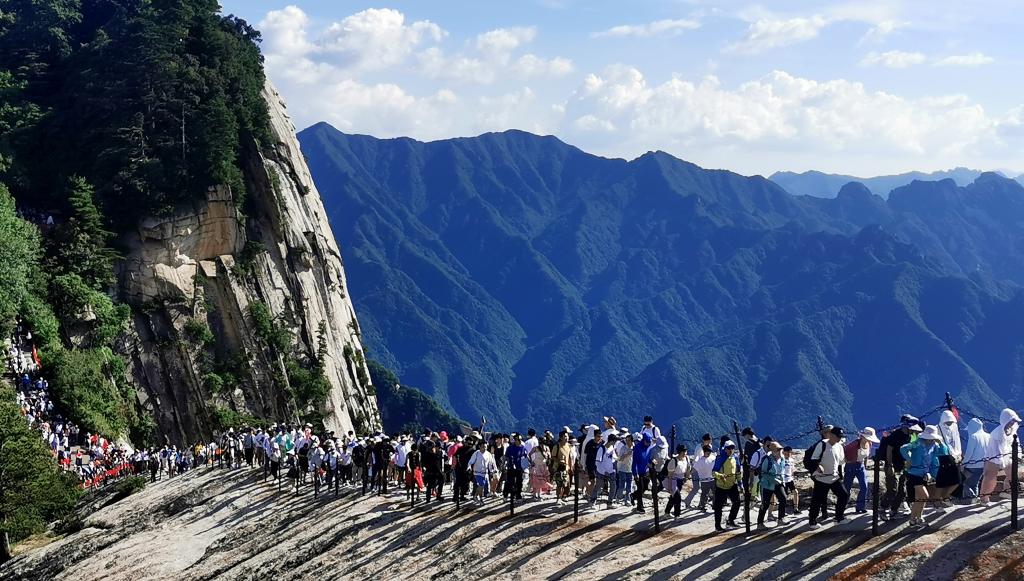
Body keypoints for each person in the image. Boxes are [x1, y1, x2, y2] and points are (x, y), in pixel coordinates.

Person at [901, 425, 955, 527]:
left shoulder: (934, 445)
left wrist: (941, 443)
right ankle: (916, 519)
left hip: (924, 474)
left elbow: (943, 453)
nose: (930, 440)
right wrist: (909, 459)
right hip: (914, 474)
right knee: (924, 496)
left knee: (920, 499)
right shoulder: (917, 443)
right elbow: (903, 449)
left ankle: (915, 519)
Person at [808, 426, 849, 529]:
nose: (839, 438)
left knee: (844, 495)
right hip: (821, 478)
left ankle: (839, 517)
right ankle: (812, 521)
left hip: (834, 477)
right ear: (831, 435)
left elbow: (841, 461)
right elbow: (813, 459)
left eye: (840, 437)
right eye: (838, 436)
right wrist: (818, 466)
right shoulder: (822, 444)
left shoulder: (839, 446)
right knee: (817, 500)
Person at [880, 416, 920, 520]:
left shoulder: (910, 436)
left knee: (902, 491)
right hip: (893, 465)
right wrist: (889, 465)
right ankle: (883, 508)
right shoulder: (896, 435)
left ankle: (894, 510)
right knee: (892, 489)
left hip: (903, 465)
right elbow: (889, 449)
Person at [980, 408, 1022, 504]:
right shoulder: (997, 434)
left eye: (1014, 421)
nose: (1013, 423)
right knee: (990, 478)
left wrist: (1018, 454)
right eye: (1011, 420)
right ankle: (984, 499)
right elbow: (996, 449)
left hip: (1008, 455)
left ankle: (1007, 492)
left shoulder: (1012, 430)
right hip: (993, 457)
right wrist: (1001, 462)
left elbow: (1016, 442)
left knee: (1012, 474)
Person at [843, 427, 880, 514]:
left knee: (864, 486)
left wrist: (865, 466)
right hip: (850, 466)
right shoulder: (854, 444)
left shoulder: (869, 444)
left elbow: (866, 456)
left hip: (861, 466)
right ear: (863, 436)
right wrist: (846, 460)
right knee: (847, 487)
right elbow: (843, 451)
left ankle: (860, 507)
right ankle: (842, 506)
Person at [757, 441, 787, 529]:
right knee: (765, 504)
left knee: (783, 498)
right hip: (767, 484)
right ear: (773, 451)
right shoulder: (767, 460)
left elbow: (782, 471)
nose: (780, 451)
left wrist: (782, 482)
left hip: (778, 483)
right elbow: (763, 473)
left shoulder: (782, 459)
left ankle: (781, 518)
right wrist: (774, 479)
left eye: (780, 449)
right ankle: (760, 523)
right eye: (778, 450)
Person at [713, 441, 740, 532]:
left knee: (737, 502)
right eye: (729, 448)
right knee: (718, 507)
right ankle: (718, 526)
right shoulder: (720, 458)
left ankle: (730, 520)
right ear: (725, 449)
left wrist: (740, 483)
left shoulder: (735, 457)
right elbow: (714, 472)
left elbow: (738, 471)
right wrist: (720, 476)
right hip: (721, 486)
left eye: (732, 448)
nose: (731, 450)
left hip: (732, 484)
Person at [962, 418, 989, 502]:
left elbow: (969, 453)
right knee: (975, 484)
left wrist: (963, 464)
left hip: (971, 466)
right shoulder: (988, 436)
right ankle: (974, 500)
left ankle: (973, 497)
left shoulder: (973, 436)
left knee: (963, 483)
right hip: (983, 465)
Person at [664, 444, 691, 518]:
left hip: (680, 481)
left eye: (685, 451)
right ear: (679, 452)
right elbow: (670, 475)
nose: (685, 453)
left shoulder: (687, 459)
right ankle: (677, 515)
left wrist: (686, 477)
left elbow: (688, 469)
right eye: (683, 452)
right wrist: (669, 487)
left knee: (673, 498)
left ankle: (667, 513)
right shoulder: (674, 461)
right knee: (678, 498)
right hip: (673, 481)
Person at [591, 434, 618, 508]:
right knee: (598, 486)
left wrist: (618, 460)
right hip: (601, 472)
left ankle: (609, 503)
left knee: (613, 486)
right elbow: (597, 462)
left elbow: (614, 457)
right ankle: (592, 501)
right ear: (611, 441)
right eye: (614, 442)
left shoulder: (612, 447)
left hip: (611, 471)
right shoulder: (601, 449)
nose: (615, 443)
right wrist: (604, 471)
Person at [687, 444, 716, 511]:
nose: (709, 453)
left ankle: (715, 505)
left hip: (713, 479)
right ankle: (702, 505)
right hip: (704, 480)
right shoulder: (700, 461)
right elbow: (694, 469)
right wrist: (688, 475)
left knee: (715, 493)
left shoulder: (713, 457)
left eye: (710, 452)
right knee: (704, 494)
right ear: (704, 452)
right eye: (707, 452)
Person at [631, 434, 653, 513]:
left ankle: (633, 495)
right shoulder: (637, 447)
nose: (649, 443)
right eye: (647, 442)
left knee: (645, 487)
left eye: (650, 442)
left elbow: (648, 457)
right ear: (643, 441)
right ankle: (639, 507)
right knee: (640, 488)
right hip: (638, 471)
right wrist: (635, 473)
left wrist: (651, 462)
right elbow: (634, 461)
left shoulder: (649, 447)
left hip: (645, 471)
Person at [504, 433, 526, 500]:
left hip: (519, 468)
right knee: (509, 482)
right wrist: (505, 465)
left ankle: (518, 496)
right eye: (518, 440)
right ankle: (505, 495)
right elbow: (506, 457)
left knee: (519, 483)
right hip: (511, 467)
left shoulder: (522, 447)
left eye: (520, 440)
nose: (519, 441)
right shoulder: (510, 448)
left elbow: (525, 456)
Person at [782, 446, 800, 513]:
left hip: (790, 479)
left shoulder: (791, 460)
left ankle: (796, 508)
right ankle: (782, 510)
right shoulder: (781, 460)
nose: (788, 454)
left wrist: (793, 475)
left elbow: (792, 469)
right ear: (784, 452)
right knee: (784, 496)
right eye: (787, 452)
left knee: (795, 492)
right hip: (783, 480)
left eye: (790, 452)